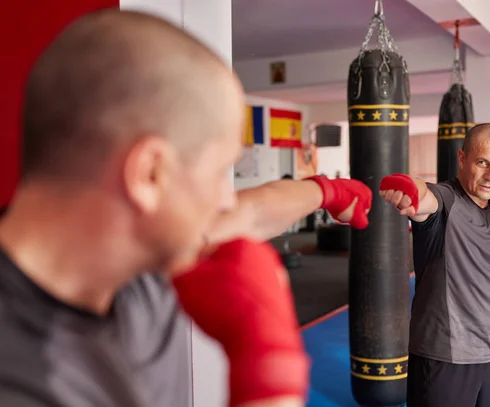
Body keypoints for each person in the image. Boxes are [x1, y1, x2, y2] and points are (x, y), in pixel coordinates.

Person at [0, 9, 372, 407]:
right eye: (218, 172)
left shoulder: (128, 252)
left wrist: (327, 191)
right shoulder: (24, 376)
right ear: (150, 174)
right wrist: (269, 373)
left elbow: (249, 213)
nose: (225, 197)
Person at [379, 123, 490, 407]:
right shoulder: (446, 200)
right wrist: (409, 187)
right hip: (442, 355)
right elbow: (424, 197)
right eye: (483, 163)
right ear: (462, 159)